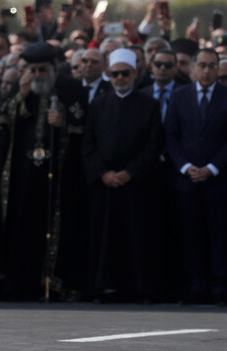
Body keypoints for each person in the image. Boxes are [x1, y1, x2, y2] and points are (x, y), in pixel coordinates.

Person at [0, 41, 88, 301]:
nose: (38, 75)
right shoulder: (20, 88)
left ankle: (54, 284)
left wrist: (63, 121)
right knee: (22, 226)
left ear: (53, 68)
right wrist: (20, 96)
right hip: (23, 174)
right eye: (33, 70)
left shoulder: (70, 87)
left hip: (59, 175)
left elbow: (83, 124)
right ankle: (19, 284)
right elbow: (1, 125)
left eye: (43, 70)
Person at [164, 48, 227, 305]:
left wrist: (212, 168)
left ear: (218, 69)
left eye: (211, 66)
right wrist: (186, 166)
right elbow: (171, 137)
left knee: (220, 237)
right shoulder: (179, 96)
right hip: (187, 180)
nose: (206, 71)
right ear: (193, 68)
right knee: (191, 236)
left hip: (219, 180)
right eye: (202, 65)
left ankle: (220, 289)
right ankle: (195, 287)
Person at [83, 48, 163, 303]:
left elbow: (154, 145)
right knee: (106, 238)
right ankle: (105, 287)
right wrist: (103, 173)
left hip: (136, 185)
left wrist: (130, 172)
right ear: (109, 75)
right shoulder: (98, 105)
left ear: (135, 73)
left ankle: (139, 288)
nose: (120, 78)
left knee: (137, 237)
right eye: (115, 74)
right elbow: (88, 144)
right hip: (105, 185)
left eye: (124, 74)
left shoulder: (149, 105)